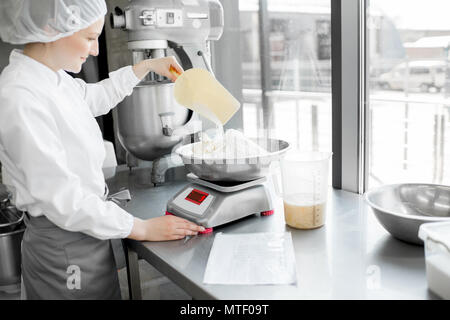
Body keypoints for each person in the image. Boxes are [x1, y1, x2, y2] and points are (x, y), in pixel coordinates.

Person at [0, 0, 204, 300]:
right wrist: (140, 228)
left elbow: (93, 98)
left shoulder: (51, 78)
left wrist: (145, 67)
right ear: (50, 28)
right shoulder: (20, 96)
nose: (95, 50)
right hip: (64, 247)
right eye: (89, 37)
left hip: (83, 235)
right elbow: (63, 201)